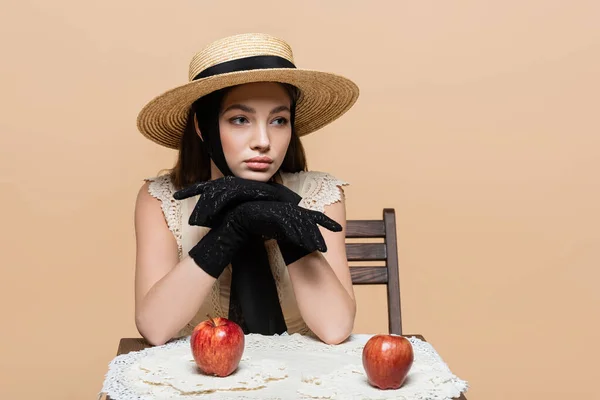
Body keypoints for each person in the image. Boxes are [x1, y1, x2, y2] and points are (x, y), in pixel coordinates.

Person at [133, 33, 360, 346]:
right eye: (240, 119)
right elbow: (155, 328)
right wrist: (231, 229)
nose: (264, 141)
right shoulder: (160, 198)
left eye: (279, 120)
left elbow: (335, 329)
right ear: (203, 127)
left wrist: (286, 223)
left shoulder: (320, 194)